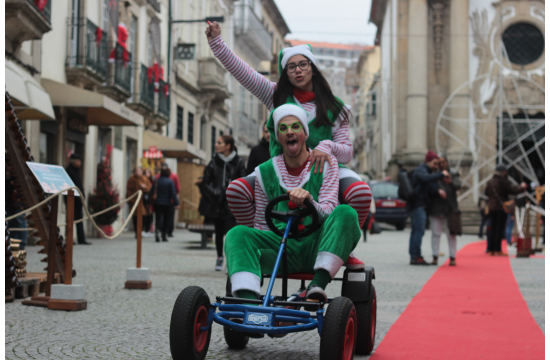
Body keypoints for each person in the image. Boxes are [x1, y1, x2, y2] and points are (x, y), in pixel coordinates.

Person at [206, 21, 371, 269]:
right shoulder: (274, 95)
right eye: (291, 67)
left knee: (360, 192)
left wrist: (328, 146)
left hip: (325, 170)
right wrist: (216, 43)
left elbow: (346, 152)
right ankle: (258, 243)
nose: (298, 70)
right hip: (282, 170)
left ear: (312, 68)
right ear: (286, 73)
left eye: (303, 64)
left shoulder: (335, 106)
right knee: (237, 189)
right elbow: (244, 73)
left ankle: (340, 246)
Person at [225, 105, 361, 304]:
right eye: (283, 128)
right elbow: (262, 223)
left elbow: (330, 209)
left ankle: (317, 286)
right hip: (281, 247)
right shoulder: (264, 172)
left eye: (295, 126)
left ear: (305, 133)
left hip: (318, 244)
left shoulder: (326, 163)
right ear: (278, 138)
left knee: (346, 213)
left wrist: (309, 201)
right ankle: (247, 304)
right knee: (236, 234)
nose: (289, 132)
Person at [199, 135, 247, 271]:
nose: (216, 145)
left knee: (231, 233)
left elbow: (244, 181)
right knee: (218, 233)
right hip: (217, 204)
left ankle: (230, 260)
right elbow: (205, 182)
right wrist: (215, 192)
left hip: (232, 205)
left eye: (219, 143)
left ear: (228, 146)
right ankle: (219, 258)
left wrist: (234, 193)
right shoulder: (214, 161)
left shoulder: (238, 162)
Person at [407, 150, 450, 265]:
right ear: (428, 161)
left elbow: (430, 187)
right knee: (419, 230)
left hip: (419, 205)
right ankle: (416, 256)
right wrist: (442, 174)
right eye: (434, 163)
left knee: (416, 230)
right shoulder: (421, 169)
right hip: (417, 205)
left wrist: (438, 190)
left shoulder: (427, 171)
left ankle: (414, 255)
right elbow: (425, 179)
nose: (436, 166)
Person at [484, 164, 527, 256]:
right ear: (503, 172)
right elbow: (512, 190)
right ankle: (497, 250)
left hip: (491, 207)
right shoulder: (502, 181)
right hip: (500, 207)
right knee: (499, 229)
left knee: (492, 228)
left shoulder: (490, 181)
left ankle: (491, 249)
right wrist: (522, 187)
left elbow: (486, 193)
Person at [428, 155, 461, 266]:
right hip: (436, 207)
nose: (441, 164)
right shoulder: (434, 174)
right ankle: (435, 256)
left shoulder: (453, 173)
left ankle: (452, 257)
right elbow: (430, 186)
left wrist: (450, 182)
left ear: (447, 162)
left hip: (450, 207)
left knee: (451, 234)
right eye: (439, 162)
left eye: (443, 162)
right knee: (436, 233)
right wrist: (438, 191)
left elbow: (458, 185)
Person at [65, 153, 91, 245]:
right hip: (72, 200)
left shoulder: (77, 171)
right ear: (74, 161)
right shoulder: (69, 171)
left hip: (78, 201)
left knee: (79, 220)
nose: (80, 163)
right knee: (70, 220)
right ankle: (69, 239)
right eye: (78, 161)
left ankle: (81, 238)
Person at [149, 167, 180, 242]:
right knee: (166, 219)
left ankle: (157, 232)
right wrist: (177, 203)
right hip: (167, 204)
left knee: (158, 219)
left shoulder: (157, 181)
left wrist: (149, 201)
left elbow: (151, 191)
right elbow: (173, 194)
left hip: (157, 203)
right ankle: (164, 235)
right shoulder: (170, 182)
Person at [126, 167, 152, 238]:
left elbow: (149, 188)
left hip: (143, 201)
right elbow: (128, 191)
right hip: (134, 201)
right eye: (136, 171)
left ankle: (141, 231)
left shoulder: (144, 179)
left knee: (143, 217)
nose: (138, 172)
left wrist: (144, 187)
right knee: (135, 218)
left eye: (139, 171)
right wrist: (131, 200)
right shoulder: (131, 179)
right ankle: (136, 233)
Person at [143, 168, 155, 233]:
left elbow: (151, 191)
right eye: (146, 173)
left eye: (148, 172)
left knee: (150, 215)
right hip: (143, 200)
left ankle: (148, 229)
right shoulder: (142, 180)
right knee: (144, 215)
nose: (147, 174)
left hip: (150, 200)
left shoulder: (152, 181)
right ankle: (144, 229)